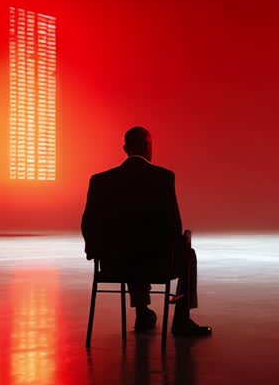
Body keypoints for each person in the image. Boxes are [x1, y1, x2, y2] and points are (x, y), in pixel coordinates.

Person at [82, 126, 212, 337]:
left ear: (125, 149)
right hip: (157, 265)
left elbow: (88, 224)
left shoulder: (100, 181)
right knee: (187, 253)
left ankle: (142, 312)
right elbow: (173, 226)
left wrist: (95, 252)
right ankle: (181, 319)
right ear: (148, 147)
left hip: (113, 265)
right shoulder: (163, 178)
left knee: (130, 245)